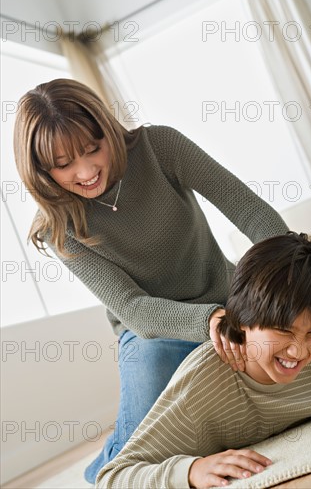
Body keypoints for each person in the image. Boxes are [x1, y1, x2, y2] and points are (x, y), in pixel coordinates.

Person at [13, 78, 289, 484]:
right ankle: (106, 470)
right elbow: (133, 308)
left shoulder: (160, 147)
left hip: (229, 300)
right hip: (151, 334)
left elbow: (252, 214)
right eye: (63, 164)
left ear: (108, 131)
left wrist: (292, 273)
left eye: (93, 149)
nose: (87, 171)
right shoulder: (58, 228)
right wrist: (210, 322)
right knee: (143, 444)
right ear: (40, 170)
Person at [94, 232, 311, 489]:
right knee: (125, 441)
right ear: (243, 320)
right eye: (283, 331)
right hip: (159, 348)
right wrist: (191, 471)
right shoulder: (200, 388)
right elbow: (114, 477)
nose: (299, 351)